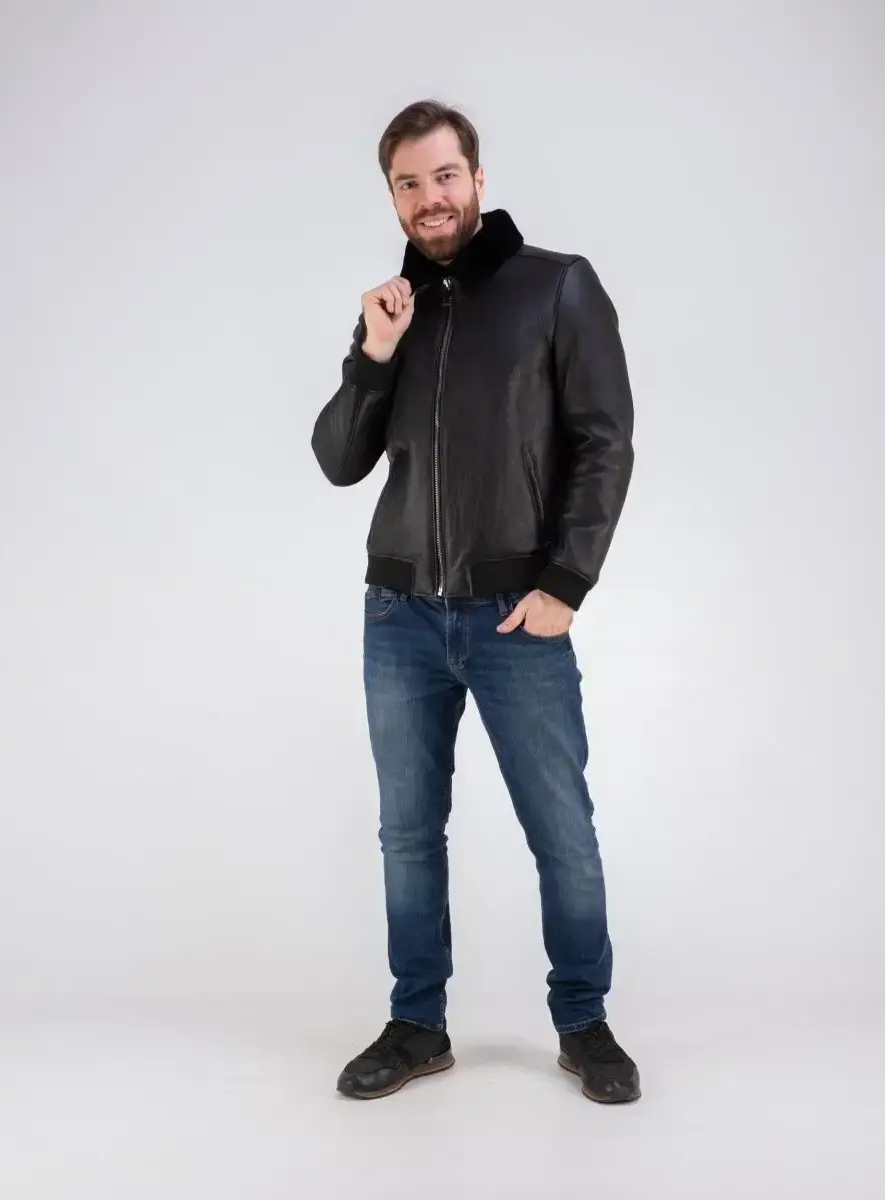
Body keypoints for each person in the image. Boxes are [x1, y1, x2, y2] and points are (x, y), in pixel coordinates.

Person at [311, 99, 639, 1104]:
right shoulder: (394, 310)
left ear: (479, 179)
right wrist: (374, 354)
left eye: (444, 175)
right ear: (393, 197)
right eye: (408, 183)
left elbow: (604, 442)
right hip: (400, 614)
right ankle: (418, 1024)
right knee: (408, 834)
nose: (430, 198)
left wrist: (565, 583)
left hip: (516, 616)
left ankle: (583, 1022)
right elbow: (339, 459)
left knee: (561, 830)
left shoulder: (557, 287)